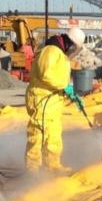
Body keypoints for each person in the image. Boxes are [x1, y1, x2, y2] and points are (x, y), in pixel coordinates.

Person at [24, 27, 86, 174]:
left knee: (53, 136)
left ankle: (52, 166)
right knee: (37, 135)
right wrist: (65, 87)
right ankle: (33, 170)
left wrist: (70, 93)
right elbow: (46, 74)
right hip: (41, 100)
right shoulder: (51, 50)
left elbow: (59, 77)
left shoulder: (61, 55)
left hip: (52, 103)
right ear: (70, 43)